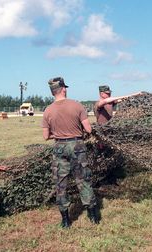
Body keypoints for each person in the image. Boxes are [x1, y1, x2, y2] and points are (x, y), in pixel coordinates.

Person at [42, 77, 98, 228]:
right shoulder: (77, 105)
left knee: (60, 184)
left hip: (59, 147)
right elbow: (89, 129)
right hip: (77, 145)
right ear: (63, 89)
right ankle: (93, 216)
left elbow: (46, 136)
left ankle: (65, 220)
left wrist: (59, 135)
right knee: (83, 179)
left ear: (53, 92)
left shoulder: (47, 110)